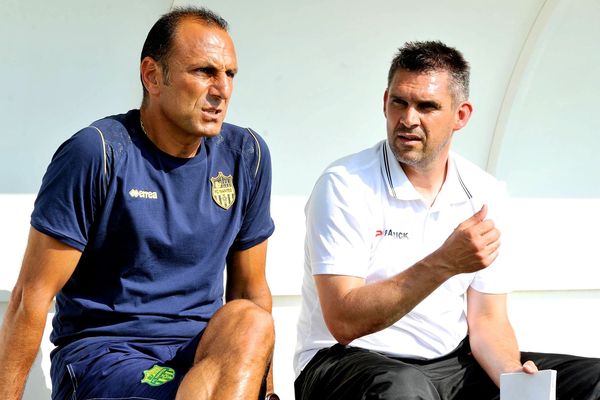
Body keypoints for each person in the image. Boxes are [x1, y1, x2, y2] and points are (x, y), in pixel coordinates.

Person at [0, 7, 280, 400]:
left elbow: (251, 291)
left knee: (249, 320)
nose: (222, 90)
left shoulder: (246, 156)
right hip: (106, 357)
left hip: (202, 356)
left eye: (229, 74)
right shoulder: (97, 153)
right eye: (203, 72)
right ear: (152, 75)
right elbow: (30, 297)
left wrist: (266, 391)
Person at [294, 40, 600, 399]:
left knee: (591, 380)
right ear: (384, 102)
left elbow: (487, 320)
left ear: (461, 115)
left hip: (448, 364)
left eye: (427, 106)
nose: (408, 119)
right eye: (399, 102)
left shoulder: (484, 192)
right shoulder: (344, 184)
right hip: (343, 362)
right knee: (405, 388)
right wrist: (444, 262)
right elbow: (344, 321)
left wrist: (513, 378)